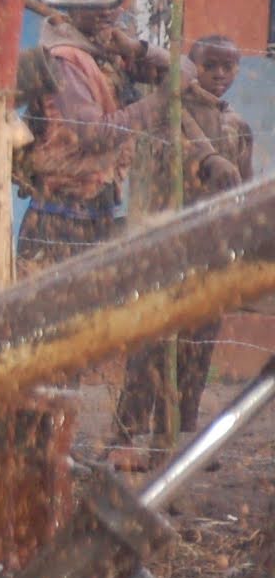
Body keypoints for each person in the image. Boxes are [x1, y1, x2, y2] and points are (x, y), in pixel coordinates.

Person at [112, 34, 256, 441]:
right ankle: (126, 433)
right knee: (148, 344)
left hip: (209, 254)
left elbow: (243, 191)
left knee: (197, 347)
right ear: (193, 69)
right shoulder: (167, 115)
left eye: (229, 67)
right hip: (163, 248)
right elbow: (159, 163)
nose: (220, 75)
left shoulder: (236, 126)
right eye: (210, 66)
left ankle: (181, 434)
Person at [11, 40, 135, 269]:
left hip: (96, 212)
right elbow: (94, 135)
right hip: (58, 218)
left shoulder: (113, 55)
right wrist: (153, 107)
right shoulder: (66, 61)